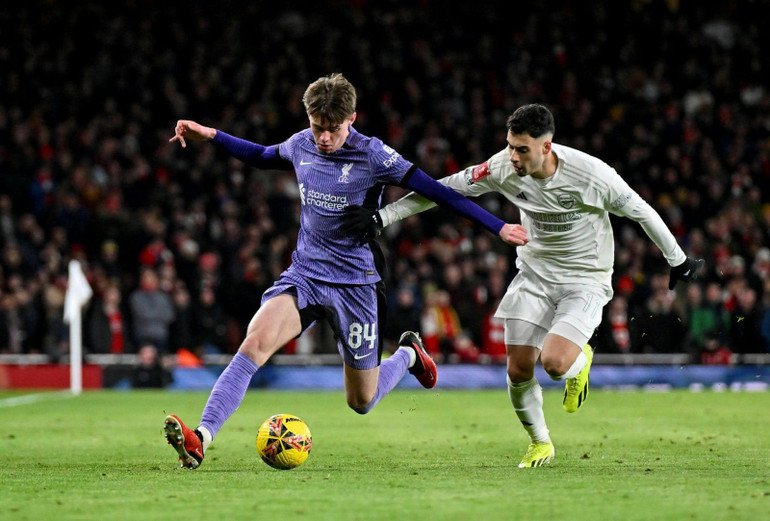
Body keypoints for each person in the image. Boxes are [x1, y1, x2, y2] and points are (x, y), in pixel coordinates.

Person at [163, 73, 525, 469]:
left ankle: (407, 354)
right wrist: (211, 135)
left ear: (352, 118)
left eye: (333, 129)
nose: (323, 138)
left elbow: (437, 192)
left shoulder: (374, 155)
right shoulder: (301, 143)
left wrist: (499, 227)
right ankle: (202, 438)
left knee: (361, 401)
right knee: (254, 344)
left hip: (355, 285)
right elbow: (263, 156)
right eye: (317, 127)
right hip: (305, 276)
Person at [344, 104, 705, 468]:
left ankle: (579, 365)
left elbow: (642, 210)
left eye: (522, 149)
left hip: (585, 279)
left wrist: (678, 260)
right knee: (518, 368)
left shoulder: (592, 175)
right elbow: (443, 190)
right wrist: (383, 217)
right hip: (533, 275)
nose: (513, 157)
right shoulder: (502, 167)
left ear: (547, 147)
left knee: (553, 362)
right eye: (510, 146)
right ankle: (540, 443)